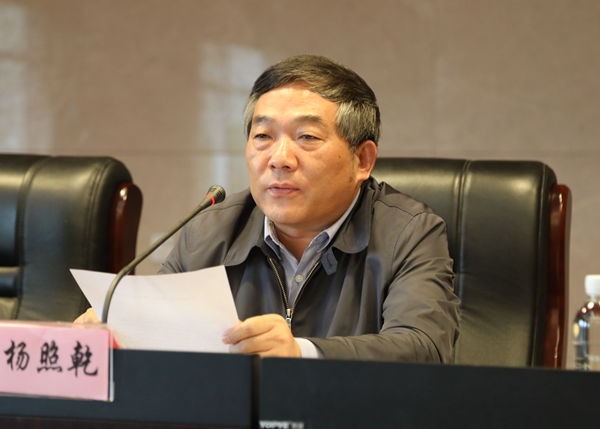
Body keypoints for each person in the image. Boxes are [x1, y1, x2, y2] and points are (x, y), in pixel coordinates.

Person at [78, 54, 460, 362]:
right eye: (263, 136)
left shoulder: (409, 232)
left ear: (362, 160)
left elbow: (424, 348)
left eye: (306, 137)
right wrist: (120, 331)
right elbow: (159, 329)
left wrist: (301, 352)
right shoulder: (209, 231)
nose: (279, 159)